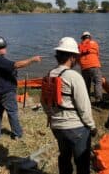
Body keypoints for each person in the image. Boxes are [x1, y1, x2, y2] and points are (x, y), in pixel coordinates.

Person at [42, 37, 97, 174]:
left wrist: (52, 116)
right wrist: (92, 126)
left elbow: (44, 101)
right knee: (82, 162)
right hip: (75, 128)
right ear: (72, 57)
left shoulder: (49, 74)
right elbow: (84, 106)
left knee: (64, 158)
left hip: (57, 127)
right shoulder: (74, 76)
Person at [0, 36, 42, 140]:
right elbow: (17, 65)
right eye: (4, 46)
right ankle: (17, 134)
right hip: (6, 91)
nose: (6, 48)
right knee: (12, 112)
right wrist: (32, 59)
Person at [78, 31, 103, 102]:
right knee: (98, 82)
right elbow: (97, 55)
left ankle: (87, 100)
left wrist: (82, 65)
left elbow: (77, 57)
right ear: (90, 37)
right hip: (94, 65)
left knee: (86, 84)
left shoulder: (79, 46)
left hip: (84, 67)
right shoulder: (94, 43)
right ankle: (98, 99)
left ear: (82, 38)